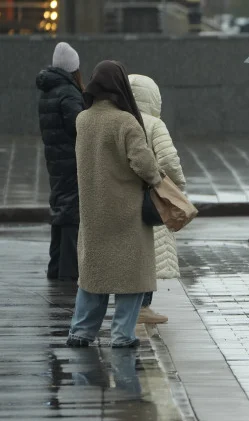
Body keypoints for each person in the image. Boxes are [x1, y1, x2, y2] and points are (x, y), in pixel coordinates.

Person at [66, 61, 162, 348]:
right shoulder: (125, 122)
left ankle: (81, 331)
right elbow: (143, 164)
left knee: (94, 275)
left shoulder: (83, 120)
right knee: (131, 276)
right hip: (126, 211)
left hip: (93, 210)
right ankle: (122, 334)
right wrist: (157, 176)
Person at [128, 74, 187, 325]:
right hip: (151, 197)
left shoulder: (122, 120)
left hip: (124, 196)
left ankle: (131, 306)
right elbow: (169, 159)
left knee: (132, 253)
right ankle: (143, 307)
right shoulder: (154, 124)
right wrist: (177, 185)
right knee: (150, 252)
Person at [36, 42, 84, 283]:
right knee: (70, 214)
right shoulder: (68, 92)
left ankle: (55, 268)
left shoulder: (48, 89)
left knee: (60, 209)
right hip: (71, 160)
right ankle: (67, 271)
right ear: (73, 68)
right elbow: (80, 127)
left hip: (55, 159)